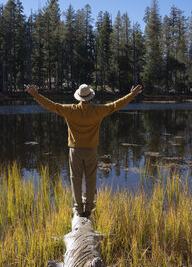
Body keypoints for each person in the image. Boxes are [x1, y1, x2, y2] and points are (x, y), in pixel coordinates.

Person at [25, 83, 142, 218]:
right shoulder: (98, 110)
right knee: (91, 179)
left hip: (75, 150)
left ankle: (79, 209)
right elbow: (116, 105)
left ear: (79, 97)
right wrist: (131, 95)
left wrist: (36, 95)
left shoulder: (70, 110)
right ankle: (89, 208)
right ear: (90, 98)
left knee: (76, 179)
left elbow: (52, 106)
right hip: (91, 150)